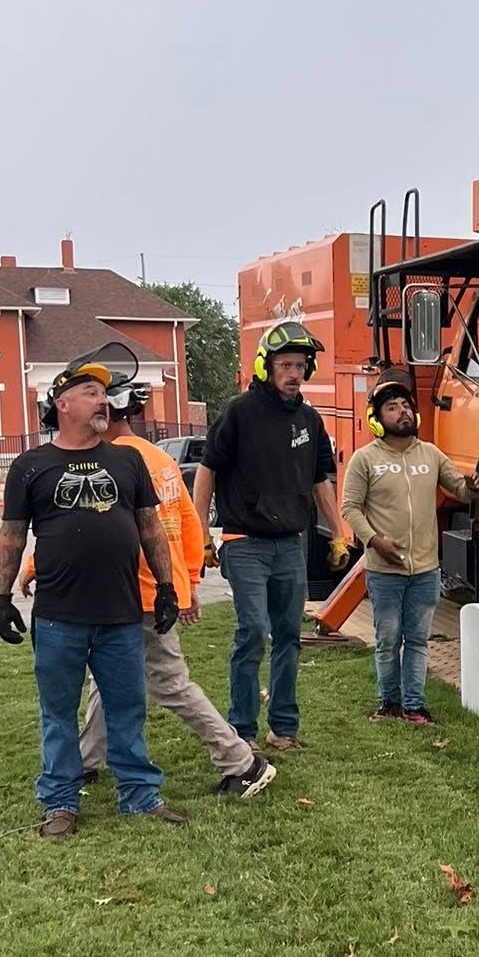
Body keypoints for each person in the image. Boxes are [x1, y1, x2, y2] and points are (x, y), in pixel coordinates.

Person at [22, 385, 276, 801]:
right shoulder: (158, 457)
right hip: (154, 589)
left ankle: (242, 761)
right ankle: (85, 761)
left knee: (171, 684)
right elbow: (187, 524)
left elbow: (89, 529)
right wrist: (187, 582)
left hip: (132, 592)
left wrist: (33, 566)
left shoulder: (116, 462)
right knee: (106, 683)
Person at [0, 352, 185, 839]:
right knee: (58, 713)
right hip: (58, 617)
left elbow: (150, 527)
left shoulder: (127, 459)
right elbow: (12, 536)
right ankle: (59, 803)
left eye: (104, 393)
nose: (104, 400)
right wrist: (0, 598)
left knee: (127, 709)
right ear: (63, 403)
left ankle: (139, 796)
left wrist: (166, 587)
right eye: (92, 393)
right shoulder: (31, 466)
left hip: (121, 613)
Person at [192, 320, 347, 753]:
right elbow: (208, 470)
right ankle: (241, 730)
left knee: (288, 635)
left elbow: (321, 479)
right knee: (254, 631)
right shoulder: (239, 412)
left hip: (290, 544)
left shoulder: (310, 418)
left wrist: (338, 533)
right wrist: (201, 532)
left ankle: (284, 728)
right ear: (267, 366)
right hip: (245, 542)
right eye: (285, 365)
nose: (293, 373)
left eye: (300, 365)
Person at [341, 371, 479, 726]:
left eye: (405, 405)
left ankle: (414, 706)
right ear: (377, 419)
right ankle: (389, 703)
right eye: (392, 407)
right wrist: (375, 542)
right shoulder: (365, 460)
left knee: (418, 640)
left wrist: (475, 488)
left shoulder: (431, 454)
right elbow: (350, 509)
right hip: (383, 569)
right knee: (388, 639)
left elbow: (461, 490)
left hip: (424, 569)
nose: (402, 412)